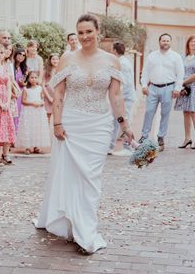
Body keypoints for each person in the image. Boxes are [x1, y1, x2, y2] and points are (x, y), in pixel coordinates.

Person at [35, 14, 134, 254]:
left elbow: (116, 96)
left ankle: (86, 231)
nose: (84, 36)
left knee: (91, 177)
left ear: (97, 31)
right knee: (69, 175)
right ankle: (72, 224)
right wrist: (57, 124)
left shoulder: (112, 61)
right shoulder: (67, 59)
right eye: (80, 32)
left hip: (99, 125)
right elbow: (58, 94)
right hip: (72, 123)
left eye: (89, 31)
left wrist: (124, 125)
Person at [139, 33, 184, 151]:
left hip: (168, 88)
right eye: (163, 40)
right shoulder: (152, 56)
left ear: (170, 42)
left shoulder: (176, 57)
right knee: (149, 112)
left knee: (165, 114)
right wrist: (144, 85)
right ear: (159, 42)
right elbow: (145, 72)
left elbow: (180, 74)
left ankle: (161, 137)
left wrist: (177, 88)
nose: (165, 42)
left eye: (167, 41)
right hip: (152, 88)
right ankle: (144, 136)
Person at [110, 42, 136, 154]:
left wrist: (120, 100)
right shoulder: (120, 62)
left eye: (112, 49)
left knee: (126, 121)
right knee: (115, 122)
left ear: (115, 51)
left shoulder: (123, 64)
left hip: (126, 98)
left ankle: (128, 147)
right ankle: (110, 146)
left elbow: (127, 84)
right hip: (121, 99)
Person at [16, 71, 51, 154]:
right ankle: (27, 147)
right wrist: (32, 103)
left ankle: (36, 146)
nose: (34, 79)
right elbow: (23, 101)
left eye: (35, 77)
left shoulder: (40, 88)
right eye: (32, 77)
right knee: (28, 127)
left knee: (37, 128)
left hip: (38, 111)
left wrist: (41, 103)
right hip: (29, 111)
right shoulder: (26, 89)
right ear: (28, 79)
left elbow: (42, 99)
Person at [174, 35, 195, 149]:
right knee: (186, 112)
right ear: (188, 44)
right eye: (191, 42)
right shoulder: (183, 57)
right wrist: (180, 84)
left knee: (193, 112)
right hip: (184, 88)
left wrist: (182, 82)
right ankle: (187, 138)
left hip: (193, 86)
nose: (193, 44)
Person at [12, 47, 28, 132]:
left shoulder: (25, 68)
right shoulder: (11, 66)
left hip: (20, 94)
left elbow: (25, 83)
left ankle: (17, 135)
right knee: (12, 114)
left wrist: (23, 83)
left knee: (19, 114)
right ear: (15, 55)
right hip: (12, 93)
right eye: (19, 54)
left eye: (23, 55)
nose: (21, 56)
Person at [42, 53, 59, 124]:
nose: (55, 61)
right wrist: (49, 97)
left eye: (57, 59)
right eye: (53, 59)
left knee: (58, 116)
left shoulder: (61, 70)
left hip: (58, 96)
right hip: (48, 96)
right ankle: (47, 133)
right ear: (50, 60)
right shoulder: (46, 70)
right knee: (48, 116)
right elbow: (42, 85)